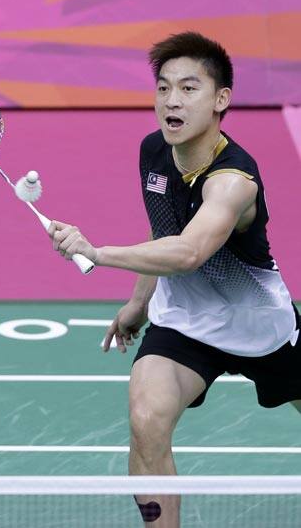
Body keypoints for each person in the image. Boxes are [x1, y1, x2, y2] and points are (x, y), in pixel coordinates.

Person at [48, 31, 300, 527]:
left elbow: (188, 251)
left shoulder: (233, 180)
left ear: (221, 100)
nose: (171, 101)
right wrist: (139, 303)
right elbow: (163, 230)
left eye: (188, 88)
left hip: (260, 328)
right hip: (184, 323)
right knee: (147, 421)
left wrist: (96, 252)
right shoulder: (155, 153)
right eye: (163, 88)